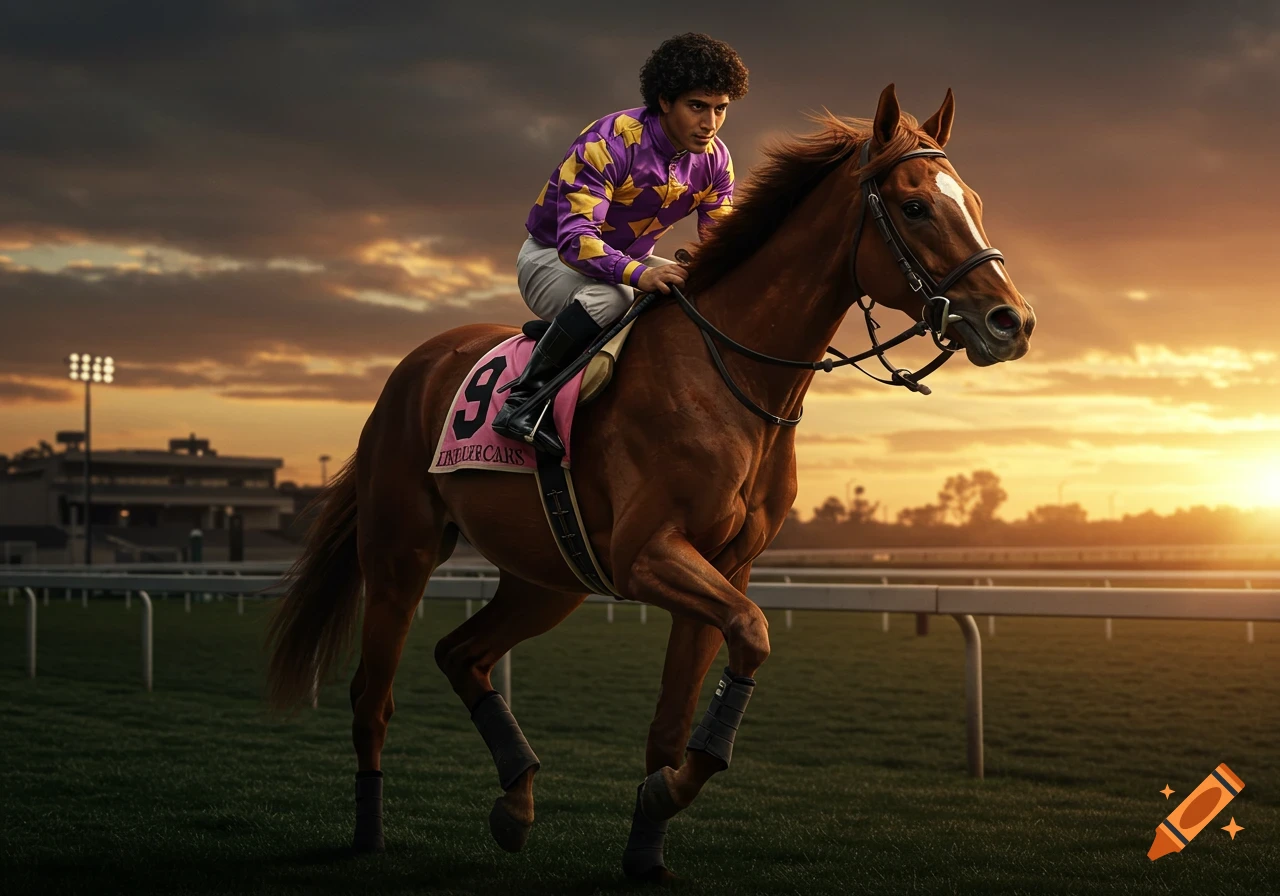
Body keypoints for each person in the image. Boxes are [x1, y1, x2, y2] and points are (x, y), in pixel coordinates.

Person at [491, 32, 749, 454]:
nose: (710, 124)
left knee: (692, 294)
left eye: (721, 109)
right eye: (697, 107)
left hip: (629, 259)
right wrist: (641, 274)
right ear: (665, 100)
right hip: (551, 258)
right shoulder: (608, 141)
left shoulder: (716, 160)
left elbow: (722, 240)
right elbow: (576, 242)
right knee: (611, 299)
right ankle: (524, 401)